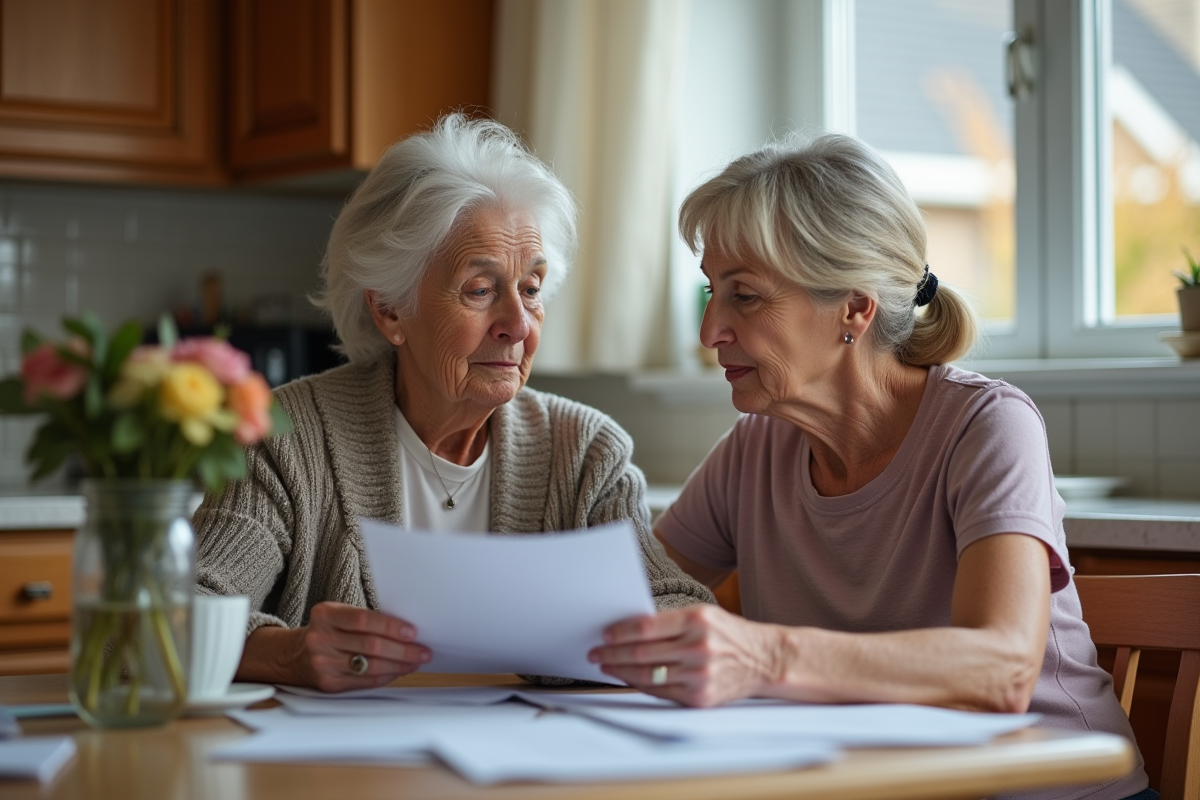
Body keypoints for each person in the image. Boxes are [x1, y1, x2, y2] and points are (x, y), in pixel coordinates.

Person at [589, 134, 1150, 800]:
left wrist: (764, 657)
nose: (710, 331)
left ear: (854, 309)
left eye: (744, 297)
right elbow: (620, 606)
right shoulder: (757, 446)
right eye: (712, 293)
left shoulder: (987, 426)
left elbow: (1001, 669)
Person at [193, 114, 714, 693]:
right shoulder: (288, 438)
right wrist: (289, 653)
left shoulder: (587, 450)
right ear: (390, 310)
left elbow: (672, 606)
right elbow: (165, 618)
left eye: (532, 289)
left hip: (529, 774)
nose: (517, 324)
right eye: (481, 289)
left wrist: (661, 636)